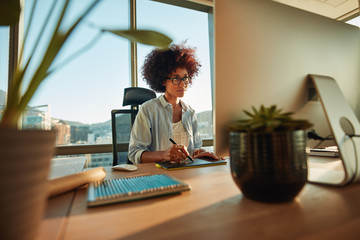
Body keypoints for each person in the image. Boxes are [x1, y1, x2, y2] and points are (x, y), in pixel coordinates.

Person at [128, 43, 223, 164]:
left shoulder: (190, 112)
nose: (183, 84)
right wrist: (164, 155)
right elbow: (134, 153)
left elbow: (195, 148)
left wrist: (201, 152)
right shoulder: (148, 110)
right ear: (163, 80)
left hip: (188, 174)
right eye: (176, 78)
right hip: (158, 176)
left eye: (185, 78)